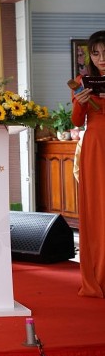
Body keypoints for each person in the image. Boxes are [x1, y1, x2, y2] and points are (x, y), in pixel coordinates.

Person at [71, 30, 105, 298]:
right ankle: (97, 275)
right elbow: (75, 121)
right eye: (96, 53)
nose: (101, 58)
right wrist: (81, 104)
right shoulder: (82, 81)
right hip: (95, 146)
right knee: (97, 207)